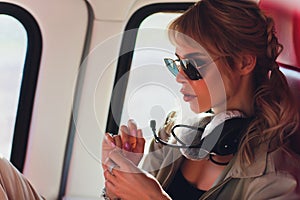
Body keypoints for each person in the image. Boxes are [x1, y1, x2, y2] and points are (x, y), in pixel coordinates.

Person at [101, 0, 300, 199]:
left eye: (192, 64)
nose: (179, 76)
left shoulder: (276, 176)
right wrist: (117, 183)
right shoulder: (172, 136)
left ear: (243, 62)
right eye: (177, 63)